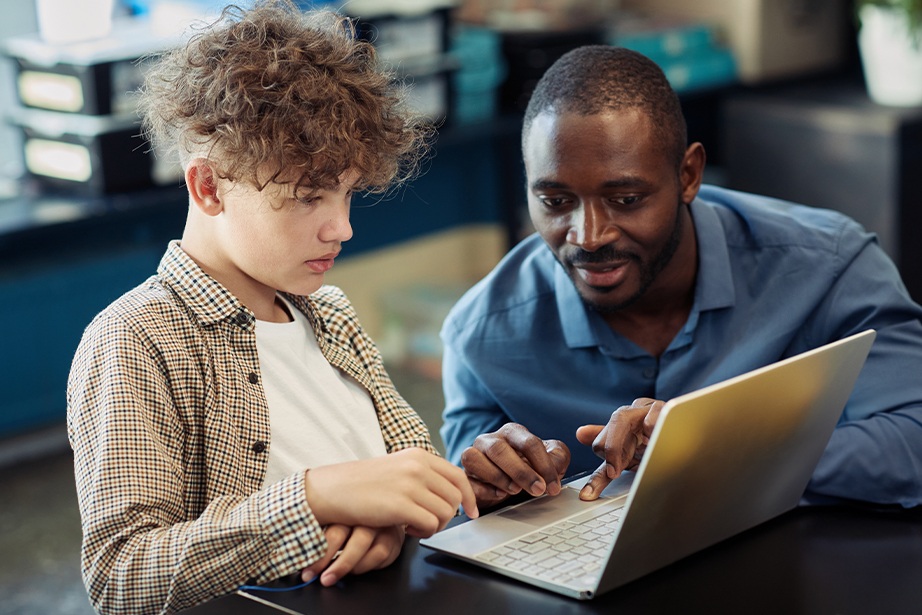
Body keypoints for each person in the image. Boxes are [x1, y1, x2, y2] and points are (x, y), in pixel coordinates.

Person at [66, 3, 477, 614]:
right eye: (307, 197)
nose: (341, 228)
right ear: (208, 187)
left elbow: (409, 472)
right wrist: (312, 500)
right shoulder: (135, 338)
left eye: (345, 194)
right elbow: (121, 577)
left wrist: (400, 516)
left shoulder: (330, 313)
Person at [439, 45, 922, 511]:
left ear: (689, 175)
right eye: (555, 202)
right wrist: (498, 482)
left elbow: (913, 440)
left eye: (626, 199)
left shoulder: (829, 267)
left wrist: (712, 451)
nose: (588, 236)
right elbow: (463, 496)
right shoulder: (480, 335)